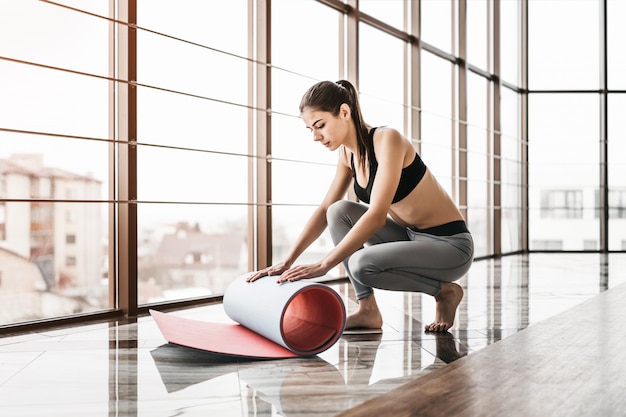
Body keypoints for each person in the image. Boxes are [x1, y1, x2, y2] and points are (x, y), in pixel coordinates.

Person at [247, 80, 474, 332]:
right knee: (338, 211)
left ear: (345, 112)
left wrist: (324, 265)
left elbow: (376, 215)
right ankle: (368, 310)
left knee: (361, 264)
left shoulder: (388, 139)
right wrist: (288, 261)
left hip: (450, 246)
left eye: (320, 125)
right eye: (310, 129)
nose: (315, 136)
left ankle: (444, 292)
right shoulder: (347, 155)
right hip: (410, 239)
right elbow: (325, 209)